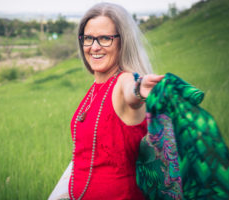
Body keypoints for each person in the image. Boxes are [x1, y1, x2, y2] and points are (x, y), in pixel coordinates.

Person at [68, 2, 164, 200]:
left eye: (105, 38)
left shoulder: (124, 81)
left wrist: (139, 90)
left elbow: (131, 93)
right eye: (88, 38)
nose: (94, 47)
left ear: (123, 41)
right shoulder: (95, 89)